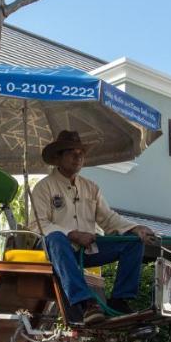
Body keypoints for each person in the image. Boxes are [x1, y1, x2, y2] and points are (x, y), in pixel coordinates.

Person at [29, 130, 157, 325]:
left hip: (86, 248)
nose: (78, 157)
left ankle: (120, 300)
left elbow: (108, 218)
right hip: (55, 250)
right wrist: (72, 234)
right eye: (71, 152)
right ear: (58, 158)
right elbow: (37, 224)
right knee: (56, 238)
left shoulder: (91, 187)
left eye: (81, 153)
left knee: (133, 242)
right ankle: (85, 303)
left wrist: (135, 228)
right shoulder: (44, 187)